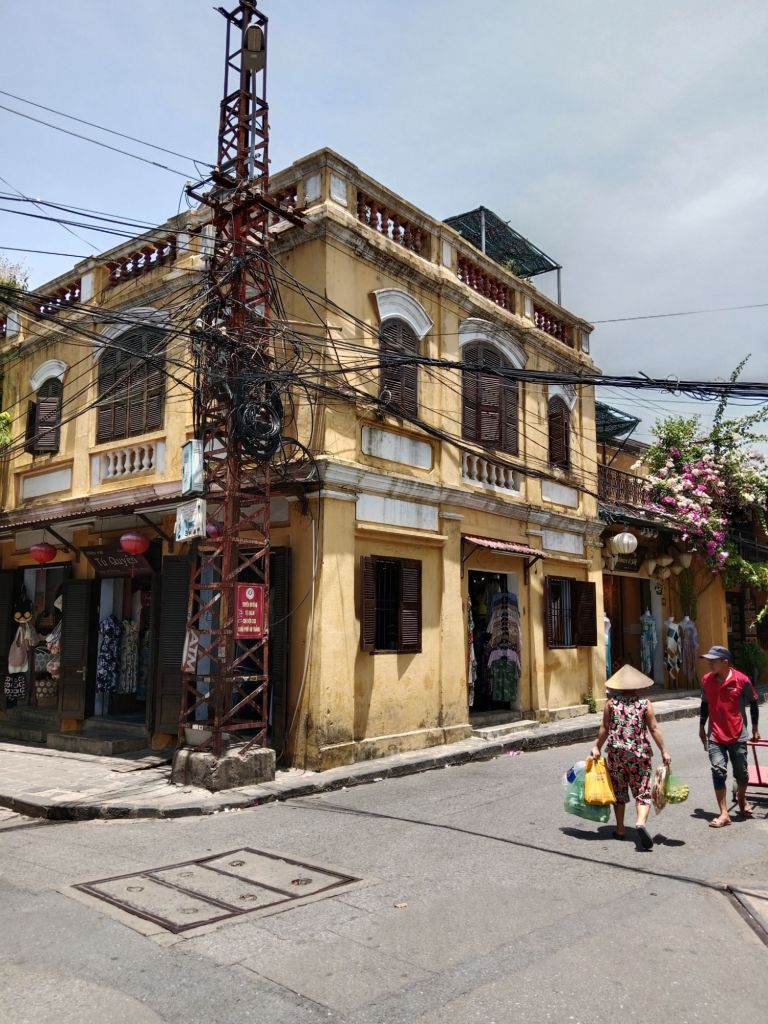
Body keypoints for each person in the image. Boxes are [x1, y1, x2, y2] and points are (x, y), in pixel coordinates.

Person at [591, 663, 672, 849]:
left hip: (616, 755)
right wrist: (664, 750)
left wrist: (596, 747)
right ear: (637, 686)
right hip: (639, 755)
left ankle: (620, 829)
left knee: (619, 792)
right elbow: (654, 728)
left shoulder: (611, 704)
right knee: (642, 791)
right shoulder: (644, 704)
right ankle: (640, 823)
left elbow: (604, 728)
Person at [699, 645, 760, 828]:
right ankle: (724, 813)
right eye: (708, 660)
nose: (709, 663)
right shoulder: (707, 680)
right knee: (718, 771)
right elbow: (704, 704)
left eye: (713, 660)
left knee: (741, 774)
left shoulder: (742, 680)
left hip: (738, 734)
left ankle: (741, 799)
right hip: (715, 735)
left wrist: (755, 728)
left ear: (725, 662)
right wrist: (701, 726)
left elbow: (754, 702)